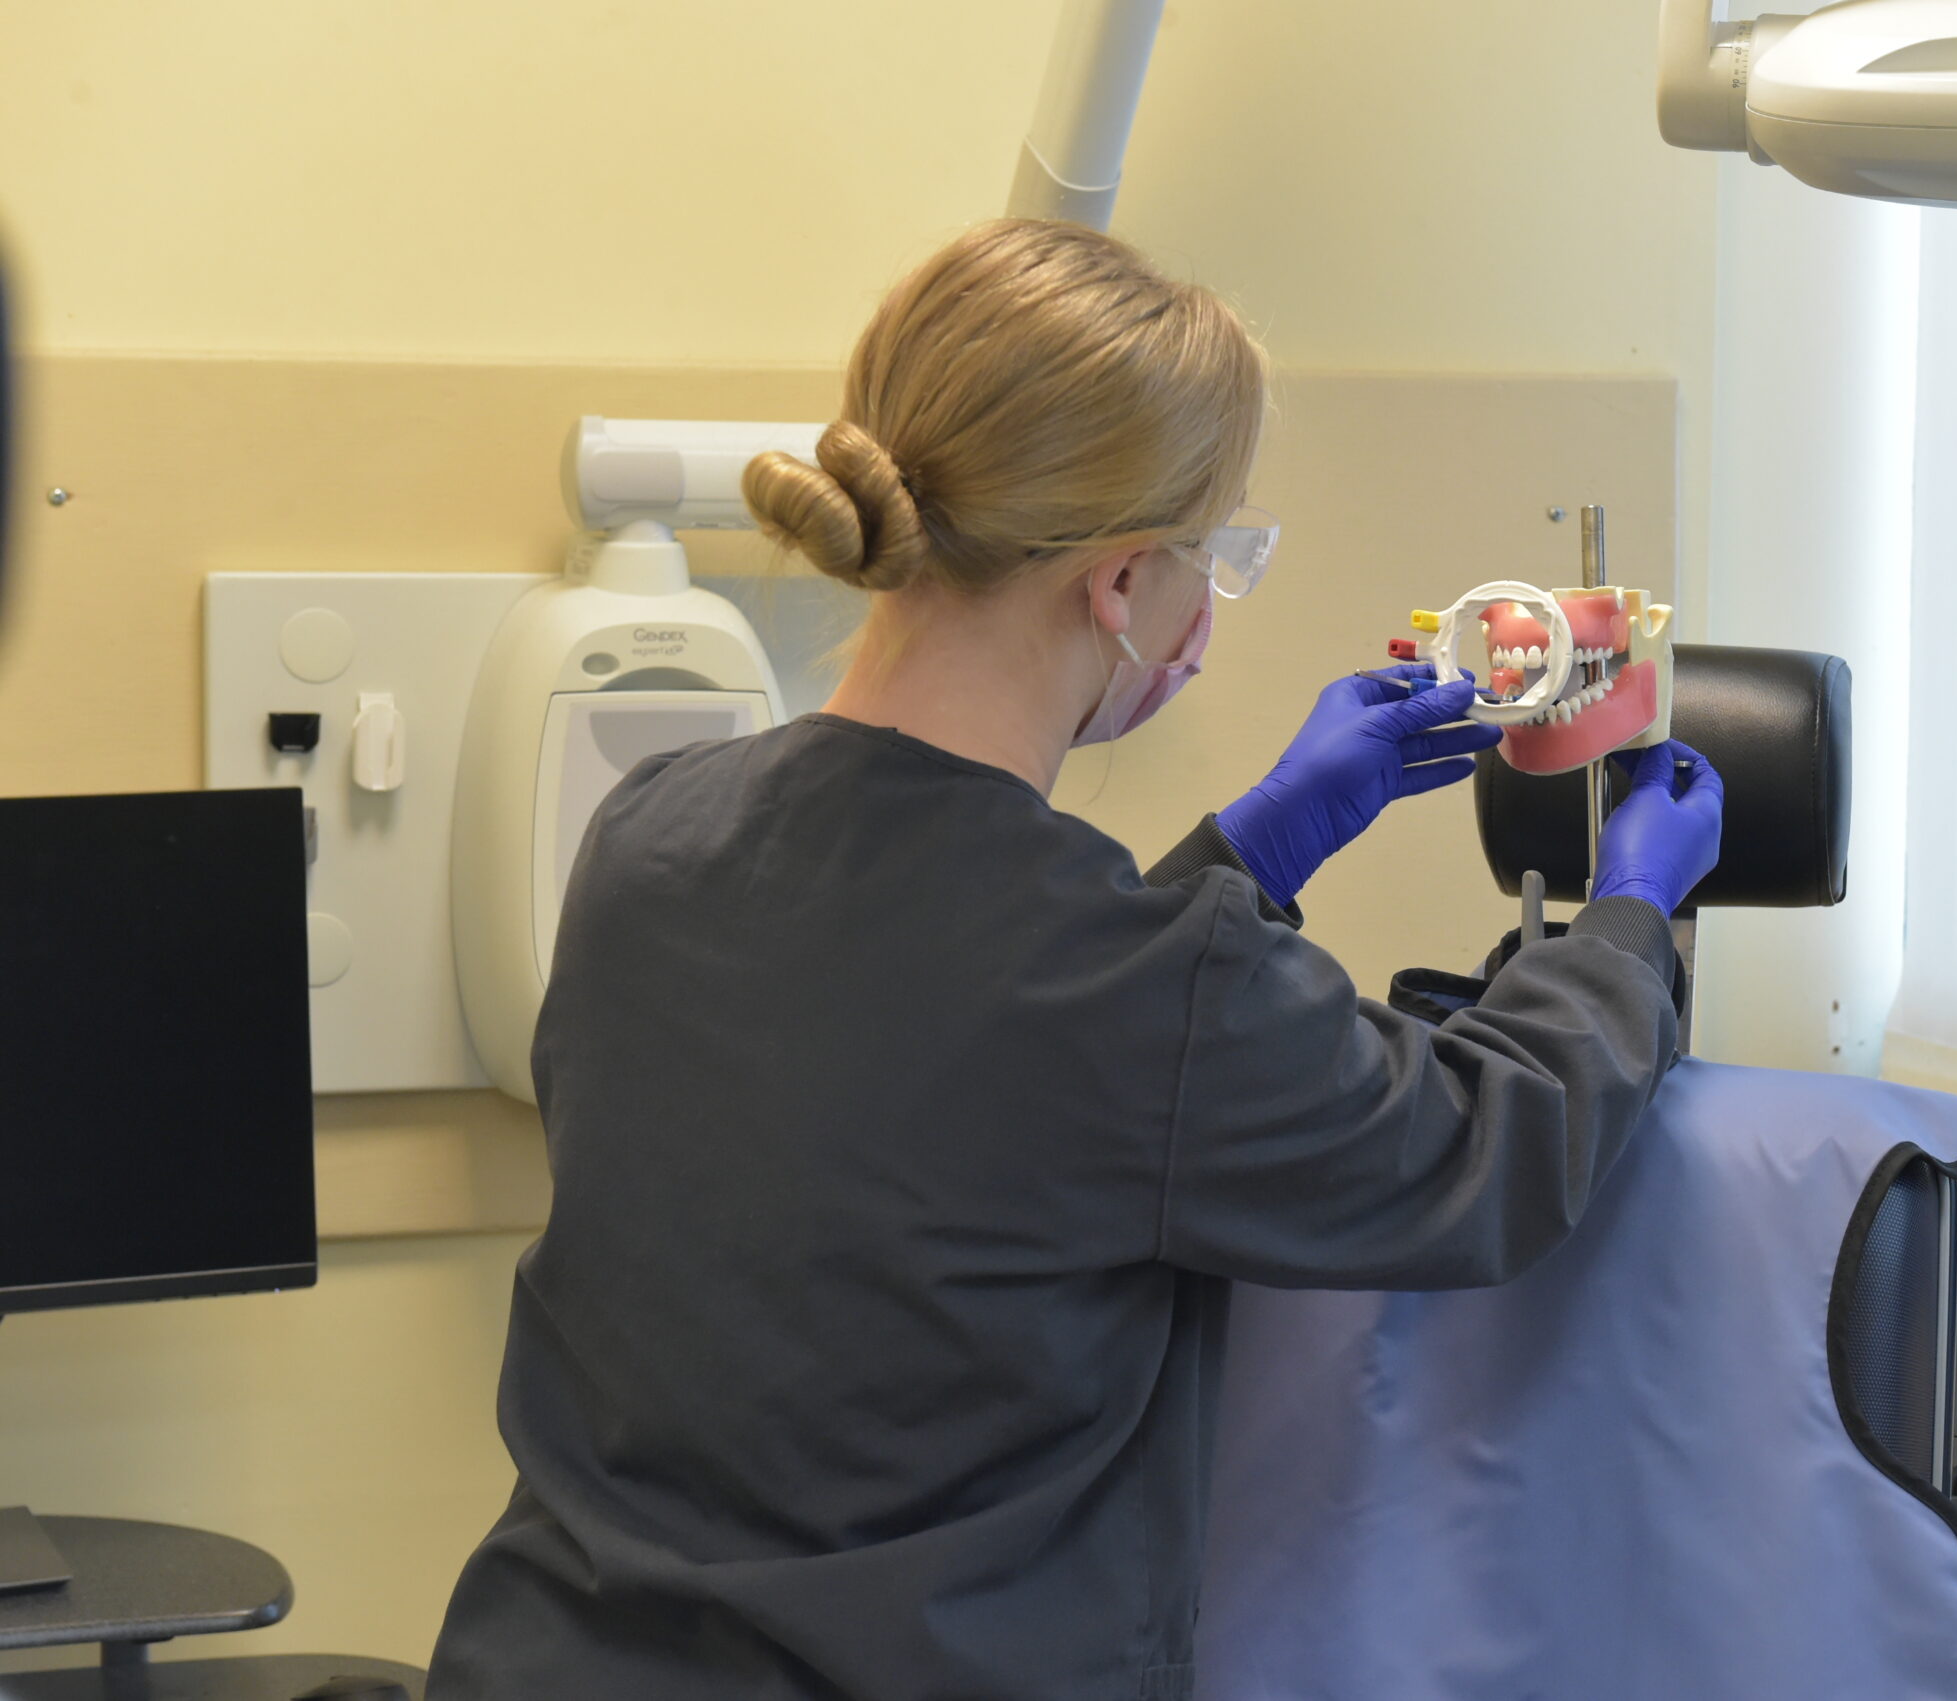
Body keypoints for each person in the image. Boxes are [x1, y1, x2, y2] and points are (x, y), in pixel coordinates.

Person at [427, 219, 1725, 1701]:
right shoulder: (1133, 988)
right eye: (1217, 554)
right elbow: (1491, 1153)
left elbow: (965, 1043)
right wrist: (1631, 922)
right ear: (1118, 585)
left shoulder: (649, 840)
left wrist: (1247, 860)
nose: (1205, 604)